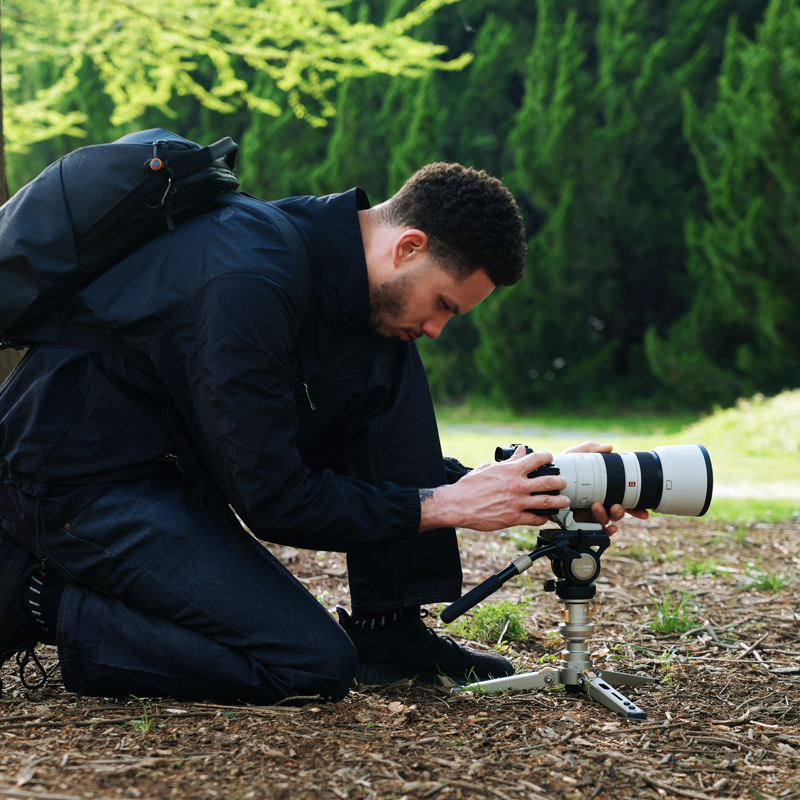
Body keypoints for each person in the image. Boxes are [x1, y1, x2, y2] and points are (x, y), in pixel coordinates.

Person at [0, 162, 633, 702]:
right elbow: (273, 498)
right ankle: (35, 594)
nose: (439, 328)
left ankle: (389, 629)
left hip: (168, 468)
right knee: (310, 664)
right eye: (444, 303)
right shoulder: (248, 279)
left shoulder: (329, 272)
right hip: (73, 481)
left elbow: (343, 453)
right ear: (409, 247)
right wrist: (445, 506)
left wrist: (530, 484)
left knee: (391, 348)